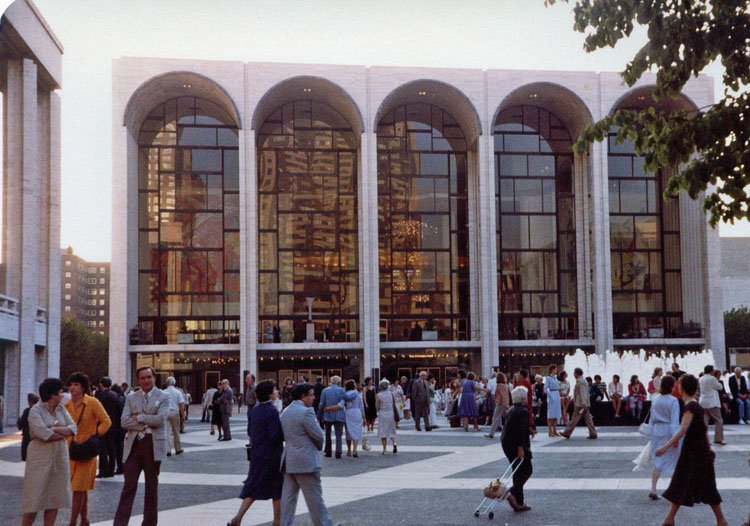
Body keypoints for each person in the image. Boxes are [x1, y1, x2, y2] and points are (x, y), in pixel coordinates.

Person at [656, 374, 728, 526]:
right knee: (684, 484)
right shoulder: (696, 405)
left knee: (687, 483)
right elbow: (703, 430)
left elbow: (682, 430)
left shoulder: (690, 406)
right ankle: (669, 519)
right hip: (698, 451)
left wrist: (665, 446)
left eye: (679, 384)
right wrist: (709, 450)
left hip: (694, 453)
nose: (677, 386)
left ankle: (721, 520)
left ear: (682, 388)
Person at [113, 366, 170, 526]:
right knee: (128, 486)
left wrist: (139, 417)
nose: (146, 380)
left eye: (148, 377)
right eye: (142, 378)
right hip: (134, 446)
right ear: (138, 380)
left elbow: (160, 419)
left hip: (153, 446)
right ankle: (120, 523)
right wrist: (145, 424)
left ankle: (149, 523)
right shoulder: (131, 397)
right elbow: (124, 421)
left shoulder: (164, 396)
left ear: (154, 378)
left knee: (151, 488)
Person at [21, 378, 77, 526]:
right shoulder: (35, 410)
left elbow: (73, 428)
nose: (63, 394)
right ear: (52, 394)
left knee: (54, 500)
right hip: (39, 461)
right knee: (33, 501)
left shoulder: (61, 409)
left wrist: (53, 429)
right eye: (60, 392)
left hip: (59, 460)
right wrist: (60, 432)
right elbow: (43, 433)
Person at [228, 380, 283, 526]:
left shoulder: (254, 411)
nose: (277, 392)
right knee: (277, 489)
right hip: (272, 455)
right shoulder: (272, 411)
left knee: (254, 487)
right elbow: (275, 436)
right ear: (270, 394)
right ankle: (277, 522)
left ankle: (237, 518)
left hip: (257, 453)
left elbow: (249, 431)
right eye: (275, 390)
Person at [279, 383, 333, 526]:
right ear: (303, 396)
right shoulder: (306, 412)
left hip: (289, 460)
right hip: (306, 461)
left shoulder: (285, 411)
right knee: (315, 499)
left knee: (288, 500)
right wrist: (318, 448)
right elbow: (318, 435)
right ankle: (324, 524)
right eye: (311, 394)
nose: (314, 398)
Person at [65, 372, 112, 526]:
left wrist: (93, 435)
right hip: (71, 449)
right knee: (80, 487)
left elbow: (106, 422)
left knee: (78, 487)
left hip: (87, 450)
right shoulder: (66, 405)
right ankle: (84, 520)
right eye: (71, 384)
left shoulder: (93, 402)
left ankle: (72, 522)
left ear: (83, 387)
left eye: (76, 384)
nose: (72, 388)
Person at [500, 386, 533, 513]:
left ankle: (518, 503)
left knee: (517, 471)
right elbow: (520, 431)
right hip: (516, 445)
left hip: (507, 443)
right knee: (527, 470)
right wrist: (521, 448)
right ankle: (510, 493)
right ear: (523, 397)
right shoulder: (523, 411)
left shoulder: (512, 409)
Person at [648, 375, 681, 500]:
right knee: (674, 459)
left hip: (657, 430)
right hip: (668, 430)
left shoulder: (655, 398)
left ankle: (653, 488)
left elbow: (652, 417)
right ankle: (674, 489)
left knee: (658, 461)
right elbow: (674, 421)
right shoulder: (673, 400)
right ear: (672, 386)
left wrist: (651, 433)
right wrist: (675, 438)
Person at [95, 376, 122, 479]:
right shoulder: (115, 395)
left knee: (102, 449)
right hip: (114, 424)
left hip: (102, 424)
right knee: (111, 449)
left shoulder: (99, 395)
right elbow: (119, 410)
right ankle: (111, 470)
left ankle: (103, 470)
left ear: (101, 384)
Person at [560, 368, 597, 440]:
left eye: (574, 373)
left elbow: (583, 393)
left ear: (577, 373)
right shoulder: (582, 380)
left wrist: (583, 403)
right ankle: (593, 433)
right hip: (583, 404)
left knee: (574, 419)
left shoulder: (581, 381)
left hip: (580, 404)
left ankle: (567, 432)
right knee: (588, 419)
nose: (573, 374)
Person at [319, 375, 345, 458]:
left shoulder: (325, 391)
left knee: (328, 434)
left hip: (328, 414)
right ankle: (338, 451)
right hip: (339, 414)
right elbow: (344, 402)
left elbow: (321, 403)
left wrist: (319, 413)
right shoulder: (342, 390)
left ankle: (328, 451)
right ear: (338, 382)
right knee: (339, 435)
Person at [699, 365, 726, 445]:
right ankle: (718, 439)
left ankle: (703, 440)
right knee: (719, 420)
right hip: (712, 402)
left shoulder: (701, 378)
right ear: (711, 371)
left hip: (703, 401)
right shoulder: (712, 378)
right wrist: (717, 379)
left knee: (704, 421)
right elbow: (720, 387)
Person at [162, 377, 185, 456]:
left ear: (167, 383)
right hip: (175, 412)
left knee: (167, 432)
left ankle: (168, 450)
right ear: (174, 383)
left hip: (166, 412)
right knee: (176, 431)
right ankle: (177, 449)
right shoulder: (178, 392)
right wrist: (183, 414)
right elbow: (181, 404)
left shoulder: (163, 392)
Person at [343, 380, 364, 457]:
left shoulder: (345, 394)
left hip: (348, 412)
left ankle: (349, 450)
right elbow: (361, 406)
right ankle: (355, 449)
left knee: (348, 431)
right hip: (357, 412)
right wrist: (364, 417)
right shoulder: (358, 394)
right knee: (357, 430)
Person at [376, 379, 398, 454]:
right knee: (392, 429)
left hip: (383, 413)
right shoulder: (391, 393)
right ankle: (394, 443)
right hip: (391, 412)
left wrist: (379, 410)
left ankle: (384, 449)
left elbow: (377, 406)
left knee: (383, 431)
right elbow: (394, 403)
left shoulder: (379, 395)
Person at [485, 372, 510, 439]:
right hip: (505, 403)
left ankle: (491, 433)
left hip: (501, 403)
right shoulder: (506, 385)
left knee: (495, 418)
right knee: (508, 417)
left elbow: (501, 395)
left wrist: (498, 402)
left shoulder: (499, 385)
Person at [17, 393, 40, 461]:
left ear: (29, 401)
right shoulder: (40, 410)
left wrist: (19, 419)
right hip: (38, 439)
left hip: (28, 438)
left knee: (28, 459)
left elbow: (20, 426)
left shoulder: (27, 411)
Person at [110, 384, 127, 475]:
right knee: (120, 447)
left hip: (117, 426)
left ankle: (120, 466)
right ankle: (121, 466)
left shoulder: (116, 399)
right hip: (122, 426)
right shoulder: (123, 398)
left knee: (118, 448)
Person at [544, 365, 562, 437]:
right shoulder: (548, 378)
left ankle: (554, 430)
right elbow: (546, 388)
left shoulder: (556, 378)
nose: (556, 370)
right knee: (551, 414)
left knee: (556, 414)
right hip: (552, 395)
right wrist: (550, 394)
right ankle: (550, 431)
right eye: (555, 369)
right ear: (552, 369)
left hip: (556, 395)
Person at [244, 373, 257, 444]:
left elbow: (257, 399)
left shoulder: (254, 388)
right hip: (249, 408)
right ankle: (250, 441)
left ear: (252, 380)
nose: (246, 380)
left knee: (252, 425)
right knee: (250, 425)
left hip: (253, 408)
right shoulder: (248, 388)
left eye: (248, 379)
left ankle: (252, 441)